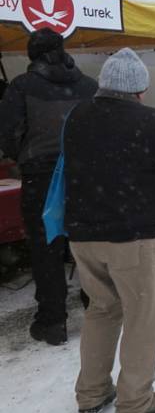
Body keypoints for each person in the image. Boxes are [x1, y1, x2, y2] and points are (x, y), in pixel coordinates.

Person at [64, 48, 155, 413]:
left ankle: (91, 394)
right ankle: (135, 400)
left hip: (83, 234)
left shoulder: (77, 115)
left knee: (101, 311)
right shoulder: (149, 121)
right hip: (132, 237)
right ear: (139, 89)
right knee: (143, 317)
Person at [0, 28, 97, 345]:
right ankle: (95, 304)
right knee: (87, 242)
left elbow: (8, 136)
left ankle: (53, 321)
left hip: (41, 176)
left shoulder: (21, 87)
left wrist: (27, 157)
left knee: (45, 248)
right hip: (85, 174)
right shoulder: (88, 85)